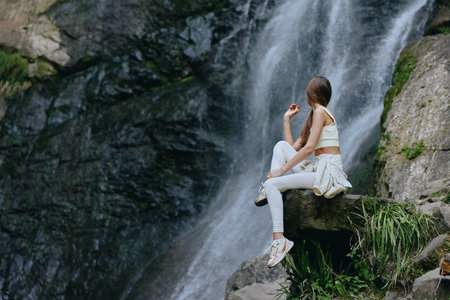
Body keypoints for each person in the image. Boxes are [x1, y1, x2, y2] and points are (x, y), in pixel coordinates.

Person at [255, 76, 352, 268]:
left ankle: (279, 240)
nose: (305, 91)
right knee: (281, 146)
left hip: (328, 173)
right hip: (319, 168)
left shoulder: (321, 112)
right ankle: (268, 190)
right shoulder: (314, 115)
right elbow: (291, 148)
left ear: (314, 94)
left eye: (308, 89)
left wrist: (280, 171)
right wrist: (286, 119)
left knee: (272, 183)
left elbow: (308, 149)